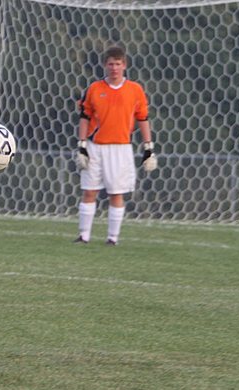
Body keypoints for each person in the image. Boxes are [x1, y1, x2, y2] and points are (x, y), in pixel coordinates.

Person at [74, 45, 157, 245]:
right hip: (95, 146)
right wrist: (82, 145)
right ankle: (84, 236)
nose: (114, 68)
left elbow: (143, 118)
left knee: (116, 193)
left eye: (118, 64)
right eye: (111, 64)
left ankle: (112, 238)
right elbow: (84, 117)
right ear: (105, 65)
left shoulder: (135, 90)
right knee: (89, 191)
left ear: (124, 65)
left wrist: (148, 148)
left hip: (121, 148)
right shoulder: (94, 89)